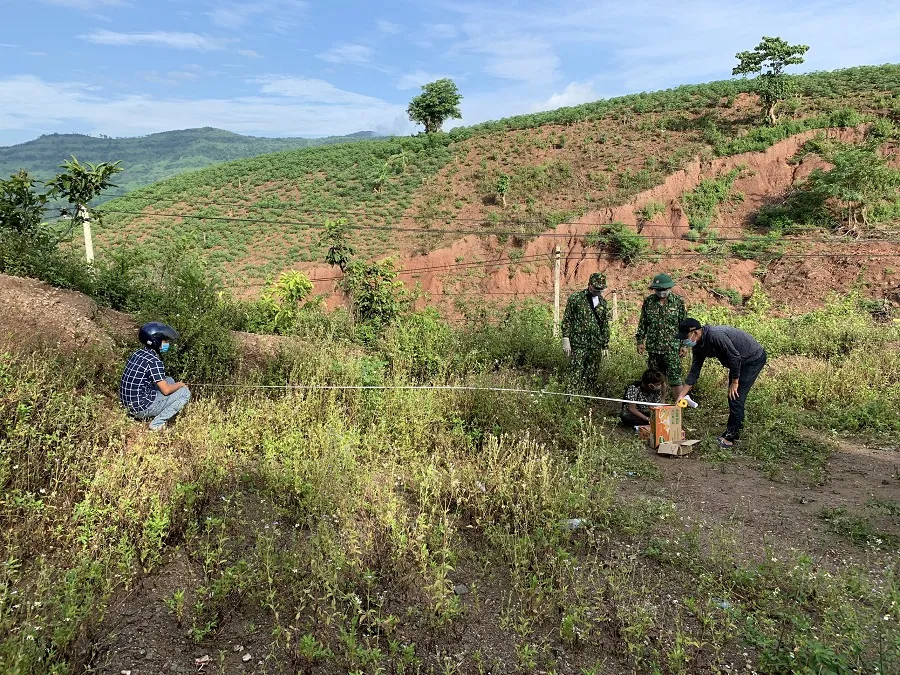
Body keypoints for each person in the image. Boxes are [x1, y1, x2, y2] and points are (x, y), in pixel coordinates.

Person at [676, 318, 767, 448]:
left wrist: (735, 381)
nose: (684, 341)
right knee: (733, 396)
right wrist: (681, 395)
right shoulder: (698, 346)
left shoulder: (715, 336)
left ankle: (731, 437)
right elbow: (694, 372)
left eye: (685, 337)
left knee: (735, 396)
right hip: (738, 360)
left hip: (752, 359)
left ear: (695, 333)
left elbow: (735, 357)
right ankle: (736, 429)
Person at [120, 322, 191, 432]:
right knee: (185, 392)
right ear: (156, 341)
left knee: (170, 380)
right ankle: (157, 424)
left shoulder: (138, 353)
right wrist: (181, 384)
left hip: (127, 403)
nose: (167, 343)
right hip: (139, 408)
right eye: (165, 341)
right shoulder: (154, 361)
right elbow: (166, 390)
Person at [635, 273, 688, 399]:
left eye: (663, 289)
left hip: (672, 348)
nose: (661, 292)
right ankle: (660, 405)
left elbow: (684, 326)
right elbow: (643, 323)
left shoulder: (678, 302)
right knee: (656, 378)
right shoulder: (648, 302)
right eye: (658, 289)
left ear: (669, 288)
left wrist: (684, 345)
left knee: (675, 378)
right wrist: (640, 342)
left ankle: (678, 408)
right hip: (654, 348)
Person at [561, 272, 611, 392]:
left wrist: (605, 345)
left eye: (601, 289)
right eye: (596, 288)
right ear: (589, 285)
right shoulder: (576, 298)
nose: (598, 291)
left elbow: (604, 325)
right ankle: (572, 398)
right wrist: (565, 338)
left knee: (592, 374)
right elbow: (568, 318)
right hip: (578, 344)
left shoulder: (603, 303)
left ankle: (586, 399)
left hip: (595, 345)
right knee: (575, 373)